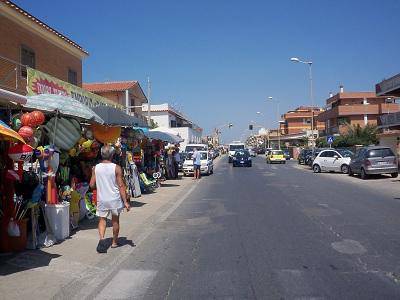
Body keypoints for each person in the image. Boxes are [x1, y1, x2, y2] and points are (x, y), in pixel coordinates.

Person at [90, 145, 131, 253]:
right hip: (114, 199)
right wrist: (125, 201)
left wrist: (99, 182)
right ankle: (114, 242)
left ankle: (102, 239)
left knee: (102, 220)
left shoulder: (96, 168)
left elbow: (91, 185)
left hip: (102, 199)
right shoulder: (116, 168)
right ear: (112, 155)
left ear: (102, 154)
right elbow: (121, 186)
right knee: (115, 221)